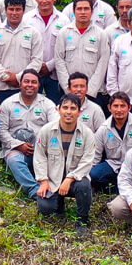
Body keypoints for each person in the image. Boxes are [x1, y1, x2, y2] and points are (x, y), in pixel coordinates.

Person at [32, 95, 97, 234]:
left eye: (73, 108)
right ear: (58, 110)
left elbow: (87, 162)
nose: (69, 112)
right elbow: (39, 156)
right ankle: (59, 203)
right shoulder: (46, 130)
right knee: (46, 209)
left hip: (74, 181)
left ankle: (82, 220)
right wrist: (43, 180)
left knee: (84, 186)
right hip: (52, 179)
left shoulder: (87, 134)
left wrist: (70, 178)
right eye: (65, 108)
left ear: (79, 112)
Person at [0, 70, 56, 196]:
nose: (30, 85)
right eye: (26, 81)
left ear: (39, 85)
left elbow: (55, 127)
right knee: (14, 160)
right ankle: (34, 190)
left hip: (41, 149)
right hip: (16, 149)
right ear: (20, 84)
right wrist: (18, 145)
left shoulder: (48, 104)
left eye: (34, 82)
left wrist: (40, 146)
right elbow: (1, 130)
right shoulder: (8, 104)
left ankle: (55, 188)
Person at [0, 0, 43, 103]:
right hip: (0, 87)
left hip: (26, 88)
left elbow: (37, 60)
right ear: (5, 10)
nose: (14, 13)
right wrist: (6, 76)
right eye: (11, 9)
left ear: (23, 10)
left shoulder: (33, 33)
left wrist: (19, 78)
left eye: (18, 9)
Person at [51, 0, 111, 102]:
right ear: (74, 11)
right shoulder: (64, 32)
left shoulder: (101, 34)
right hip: (68, 92)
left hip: (94, 93)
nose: (83, 12)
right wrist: (68, 88)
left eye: (86, 9)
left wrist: (90, 90)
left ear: (92, 11)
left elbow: (103, 63)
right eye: (79, 9)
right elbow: (59, 60)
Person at [90, 93, 132, 192]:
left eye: (122, 106)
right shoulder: (103, 129)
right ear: (109, 108)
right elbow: (95, 156)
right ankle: (114, 190)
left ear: (129, 107)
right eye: (115, 106)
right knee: (94, 174)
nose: (119, 110)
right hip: (114, 165)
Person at [27, 0, 68, 101]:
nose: (44, 1)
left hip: (56, 74)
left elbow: (66, 49)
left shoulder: (64, 20)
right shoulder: (26, 19)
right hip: (32, 73)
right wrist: (37, 65)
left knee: (56, 107)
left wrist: (49, 66)